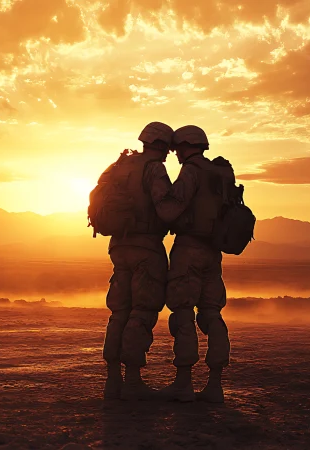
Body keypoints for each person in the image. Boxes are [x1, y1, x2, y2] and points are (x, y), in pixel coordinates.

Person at [102, 122, 183, 401]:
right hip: (145, 247)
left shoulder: (120, 165)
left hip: (118, 246)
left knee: (118, 313)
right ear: (161, 145)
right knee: (142, 312)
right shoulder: (154, 168)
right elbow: (167, 209)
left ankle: (112, 381)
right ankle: (133, 380)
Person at [160, 125, 233, 403]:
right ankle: (215, 385)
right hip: (213, 252)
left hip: (189, 248)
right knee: (212, 315)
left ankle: (183, 384)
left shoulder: (191, 171)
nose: (176, 153)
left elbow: (172, 206)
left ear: (185, 146)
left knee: (183, 314)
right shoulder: (219, 172)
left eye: (178, 147)